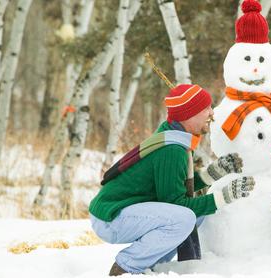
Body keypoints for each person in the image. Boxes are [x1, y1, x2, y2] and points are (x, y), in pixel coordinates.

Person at [89, 84, 255, 276]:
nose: (211, 113)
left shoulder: (173, 136)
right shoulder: (172, 150)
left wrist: (213, 173)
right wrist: (223, 197)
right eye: (205, 109)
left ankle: (152, 269)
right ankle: (126, 268)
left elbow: (176, 185)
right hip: (111, 218)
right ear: (188, 114)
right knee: (184, 218)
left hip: (119, 211)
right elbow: (177, 204)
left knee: (195, 215)